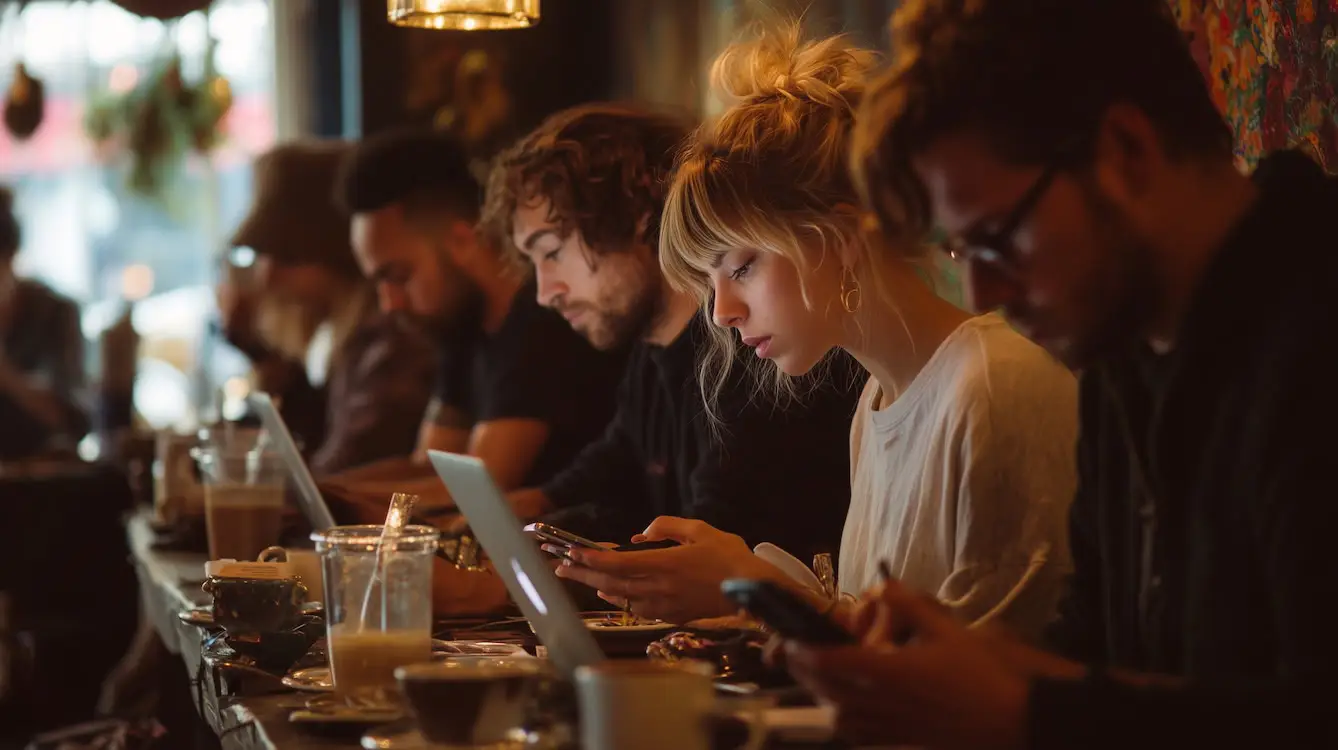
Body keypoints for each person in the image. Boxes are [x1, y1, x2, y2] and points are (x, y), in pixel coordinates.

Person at [780, 1, 1338, 747]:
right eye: (960, 253)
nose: (982, 297)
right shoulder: (1120, 346)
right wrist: (979, 661)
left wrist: (1021, 713)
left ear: (1126, 149)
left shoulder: (1308, 333)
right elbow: (1101, 655)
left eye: (998, 240)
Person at [550, 24, 1077, 637]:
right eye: (709, 281)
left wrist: (750, 588)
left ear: (844, 237)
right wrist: (750, 587)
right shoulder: (875, 406)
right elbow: (880, 645)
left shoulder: (992, 381)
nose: (721, 312)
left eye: (742, 266)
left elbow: (987, 680)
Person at [479, 103, 862, 564]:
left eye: (553, 252)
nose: (544, 292)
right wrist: (483, 524)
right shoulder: (652, 356)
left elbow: (711, 546)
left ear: (638, 213)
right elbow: (602, 480)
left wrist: (489, 586)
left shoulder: (756, 354)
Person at [323, 128, 627, 513]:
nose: (389, 304)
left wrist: (327, 500)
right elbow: (428, 465)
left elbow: (475, 494)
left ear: (461, 240)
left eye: (398, 276)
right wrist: (316, 490)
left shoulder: (543, 323)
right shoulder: (462, 325)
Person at [226, 140, 435, 475]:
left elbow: (341, 475)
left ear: (332, 251)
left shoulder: (387, 349)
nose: (266, 279)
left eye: (288, 255)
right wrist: (261, 357)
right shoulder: (332, 346)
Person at [0, 185, 90, 459]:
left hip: (45, 481)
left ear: (11, 259)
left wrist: (6, 374)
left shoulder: (54, 314)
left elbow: (74, 419)